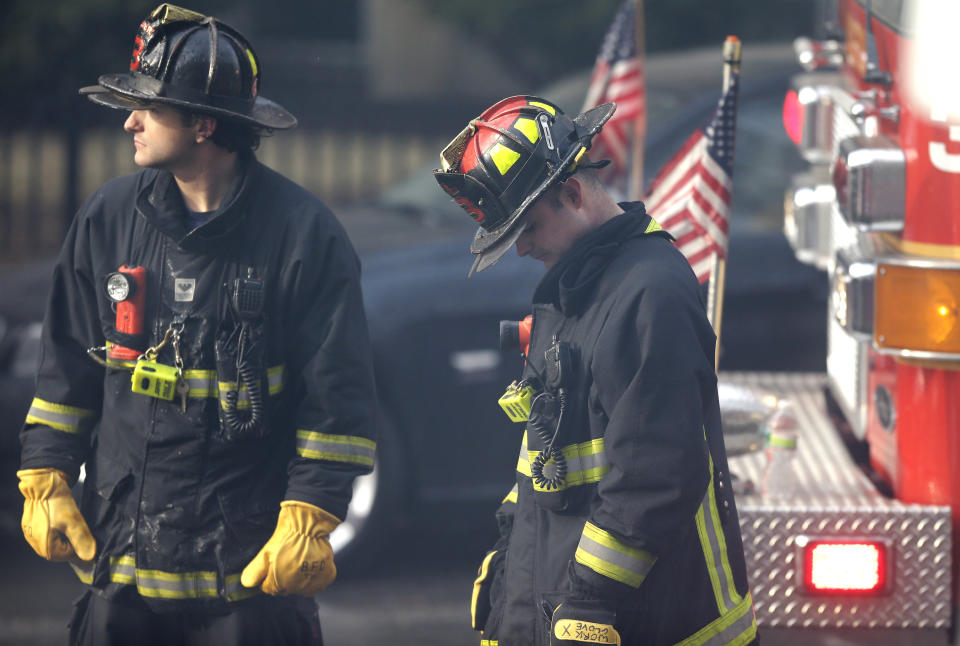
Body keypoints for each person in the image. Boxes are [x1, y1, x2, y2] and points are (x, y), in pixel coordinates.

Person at [16, 4, 377, 645]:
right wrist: (46, 472)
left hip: (246, 575)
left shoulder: (304, 237)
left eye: (148, 109)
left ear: (204, 124)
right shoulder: (107, 218)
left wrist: (311, 515)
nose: (129, 121)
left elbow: (337, 401)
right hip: (121, 563)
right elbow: (67, 366)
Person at [434, 95, 757, 646]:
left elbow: (654, 474)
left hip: (655, 623)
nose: (521, 250)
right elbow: (546, 463)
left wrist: (590, 601)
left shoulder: (649, 292)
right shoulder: (569, 294)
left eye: (528, 228)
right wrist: (509, 569)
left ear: (573, 192)